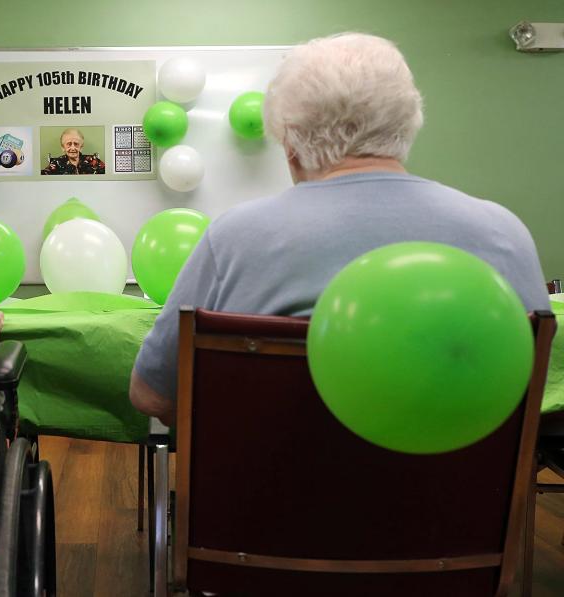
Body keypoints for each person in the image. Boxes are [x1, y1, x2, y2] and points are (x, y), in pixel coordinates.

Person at [130, 33, 550, 426]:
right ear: (407, 126)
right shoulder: (502, 233)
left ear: (291, 145)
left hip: (270, 501)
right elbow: (525, 391)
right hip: (459, 502)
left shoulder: (234, 238)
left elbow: (154, 397)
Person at [41, 127, 106, 175]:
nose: (73, 148)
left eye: (76, 144)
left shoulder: (93, 160)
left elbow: (108, 172)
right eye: (69, 144)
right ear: (63, 148)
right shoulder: (56, 163)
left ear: (81, 147)